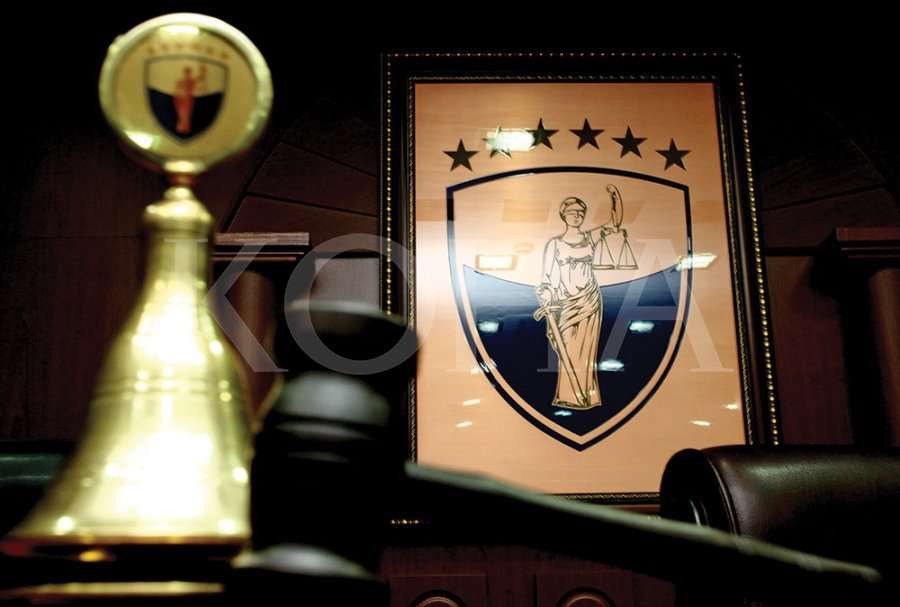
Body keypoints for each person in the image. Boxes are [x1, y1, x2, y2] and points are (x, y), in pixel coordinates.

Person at [535, 195, 618, 409]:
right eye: (572, 212)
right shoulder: (554, 244)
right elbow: (546, 278)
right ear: (563, 215)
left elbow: (615, 222)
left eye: (581, 213)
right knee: (568, 349)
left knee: (587, 350)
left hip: (590, 300)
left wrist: (614, 197)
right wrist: (546, 295)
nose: (577, 216)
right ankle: (568, 396)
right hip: (566, 303)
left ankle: (587, 396)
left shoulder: (590, 238)